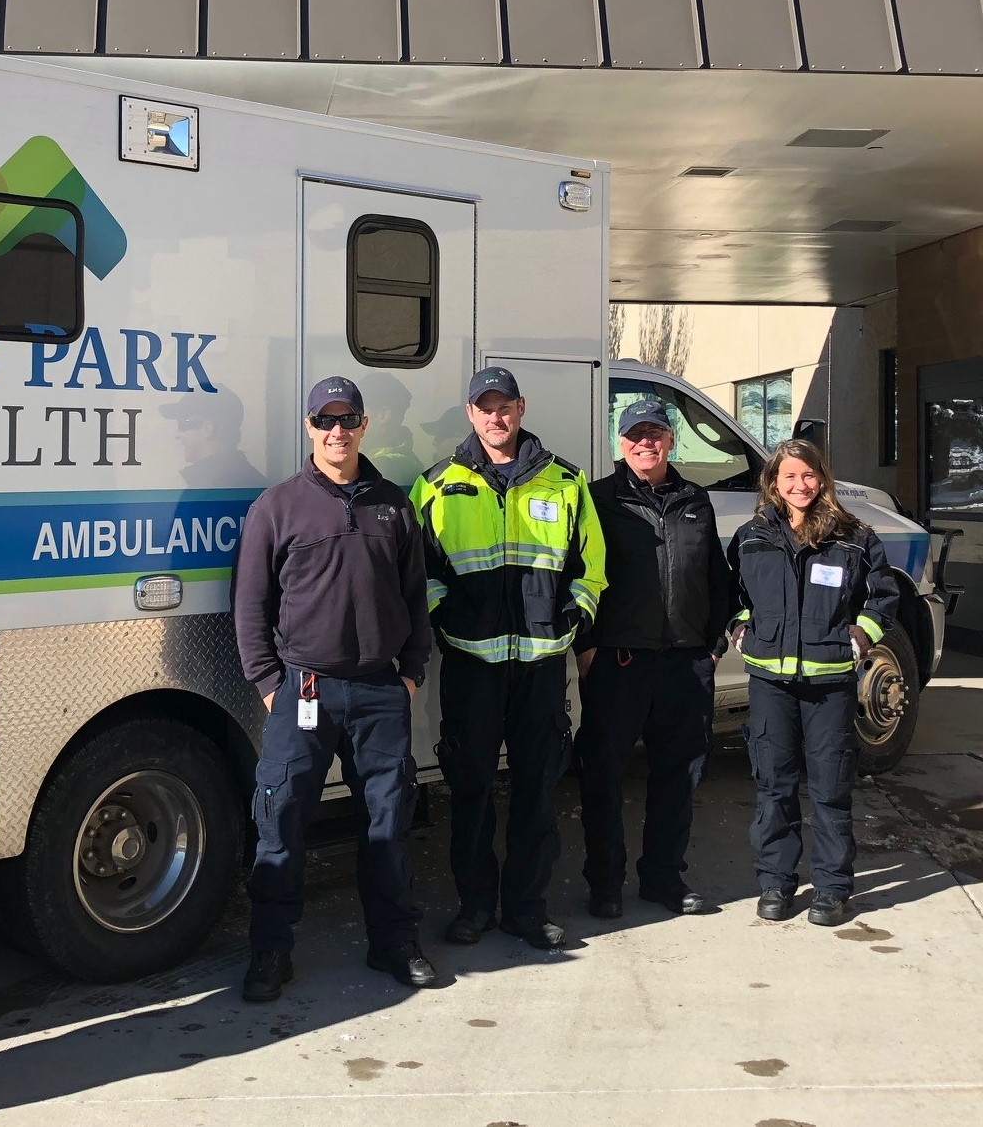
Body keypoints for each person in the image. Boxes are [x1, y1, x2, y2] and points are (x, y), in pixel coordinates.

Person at [231, 375, 435, 1001]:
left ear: (365, 426)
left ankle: (393, 943)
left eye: (348, 420)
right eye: (325, 421)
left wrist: (408, 674)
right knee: (282, 821)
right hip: (305, 691)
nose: (337, 431)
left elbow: (415, 598)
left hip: (379, 692)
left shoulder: (394, 505)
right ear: (309, 428)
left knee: (386, 824)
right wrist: (270, 684)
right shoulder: (279, 506)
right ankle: (270, 951)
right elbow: (249, 604)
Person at [412, 366, 606, 949]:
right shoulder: (435, 485)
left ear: (522, 410)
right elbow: (419, 573)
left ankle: (526, 907)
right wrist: (445, 619)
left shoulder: (566, 482)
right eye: (485, 407)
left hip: (543, 665)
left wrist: (573, 618)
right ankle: (475, 907)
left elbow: (590, 565)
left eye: (506, 407)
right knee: (469, 790)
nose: (496, 417)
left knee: (536, 790)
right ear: (470, 414)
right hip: (471, 665)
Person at [574, 398, 736, 920]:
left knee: (679, 776)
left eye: (655, 433)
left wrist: (713, 647)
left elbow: (717, 577)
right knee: (602, 777)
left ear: (670, 440)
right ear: (620, 444)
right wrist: (586, 645)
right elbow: (575, 574)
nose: (646, 442)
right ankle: (604, 883)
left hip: (685, 664)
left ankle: (664, 879)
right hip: (619, 662)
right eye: (635, 435)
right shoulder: (600, 499)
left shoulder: (696, 501)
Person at [728, 438, 898, 927]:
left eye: (809, 475)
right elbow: (730, 590)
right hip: (770, 684)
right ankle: (777, 884)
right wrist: (740, 627)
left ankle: (831, 888)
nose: (800, 485)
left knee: (829, 789)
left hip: (830, 687)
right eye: (789, 477)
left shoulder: (854, 536)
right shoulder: (752, 535)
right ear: (773, 483)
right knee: (774, 786)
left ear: (822, 479)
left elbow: (883, 596)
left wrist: (863, 635)